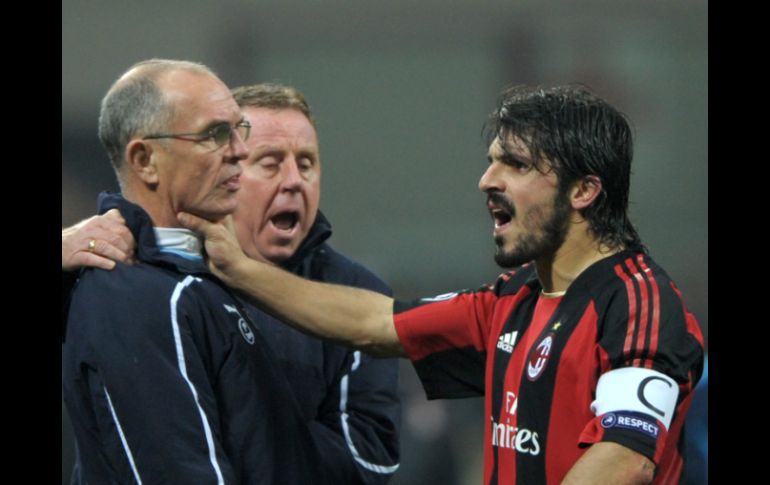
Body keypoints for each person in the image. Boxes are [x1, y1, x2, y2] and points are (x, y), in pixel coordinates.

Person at [179, 85, 705, 484]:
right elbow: (371, 322)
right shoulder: (511, 300)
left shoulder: (640, 305)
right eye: (492, 160)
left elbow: (626, 458)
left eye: (515, 164)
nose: (487, 180)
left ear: (585, 190)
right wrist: (240, 271)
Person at [62, 82, 401, 484]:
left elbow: (370, 460)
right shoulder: (137, 269)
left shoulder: (357, 296)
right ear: (228, 170)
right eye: (270, 163)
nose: (294, 180)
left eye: (306, 163)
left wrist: (234, 434)